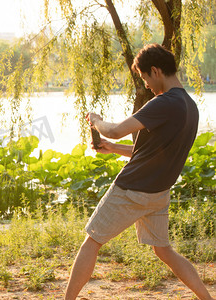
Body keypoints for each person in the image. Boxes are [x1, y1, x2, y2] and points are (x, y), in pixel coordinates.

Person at [64, 44, 214, 300]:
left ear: (155, 71)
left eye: (145, 78)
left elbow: (113, 129)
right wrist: (112, 148)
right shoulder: (190, 106)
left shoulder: (163, 102)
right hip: (158, 192)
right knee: (164, 250)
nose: (146, 85)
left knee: (92, 241)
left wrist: (96, 121)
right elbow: (152, 151)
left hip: (132, 188)